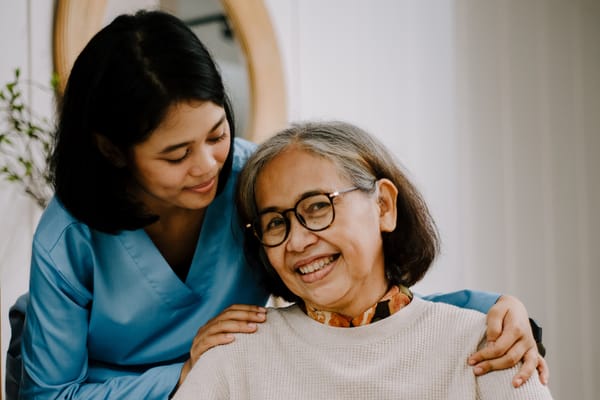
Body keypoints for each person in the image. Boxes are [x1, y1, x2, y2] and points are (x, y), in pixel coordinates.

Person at [16, 10, 544, 400]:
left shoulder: (256, 181)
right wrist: (183, 371)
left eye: (217, 133)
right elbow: (49, 395)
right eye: (176, 155)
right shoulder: (69, 236)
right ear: (114, 152)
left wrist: (498, 309)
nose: (206, 166)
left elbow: (358, 279)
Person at [172, 121, 553, 399]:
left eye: (318, 206)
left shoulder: (492, 347)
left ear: (384, 206)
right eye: (276, 223)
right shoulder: (233, 356)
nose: (298, 240)